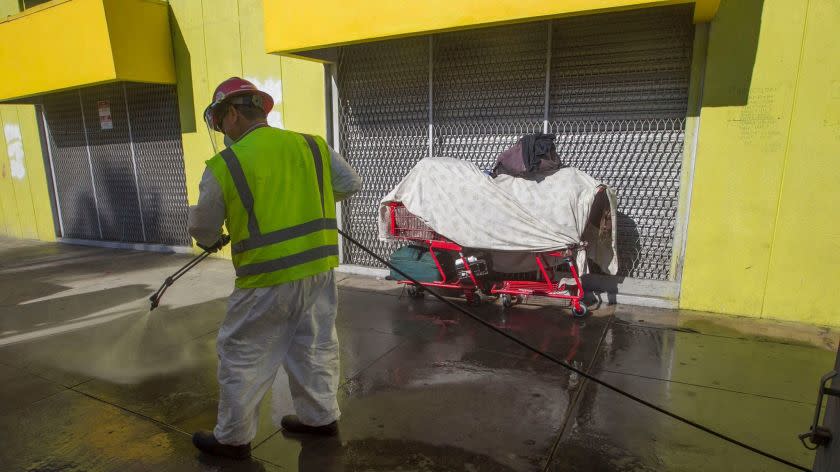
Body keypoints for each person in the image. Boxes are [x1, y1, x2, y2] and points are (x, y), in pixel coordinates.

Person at [188, 77, 361, 460]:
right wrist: (303, 196)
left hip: (265, 280)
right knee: (313, 346)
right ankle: (320, 419)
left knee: (243, 354)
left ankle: (232, 440)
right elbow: (350, 183)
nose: (221, 130)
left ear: (232, 113)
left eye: (220, 121)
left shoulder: (226, 164)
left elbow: (202, 225)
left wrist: (210, 237)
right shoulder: (312, 145)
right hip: (317, 272)